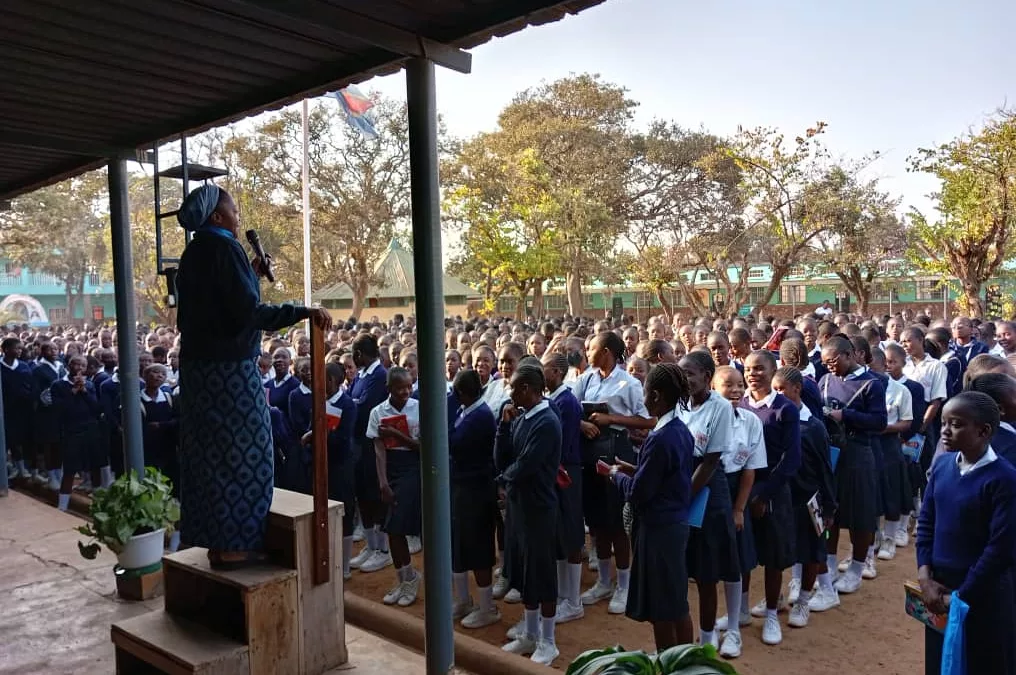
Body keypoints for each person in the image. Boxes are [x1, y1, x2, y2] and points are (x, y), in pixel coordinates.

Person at [174, 184, 331, 569]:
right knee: (249, 452)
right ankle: (235, 546)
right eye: (232, 210)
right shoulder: (225, 249)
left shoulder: (193, 253)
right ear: (217, 217)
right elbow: (248, 314)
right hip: (229, 372)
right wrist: (302, 311)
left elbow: (223, 308)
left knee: (210, 454)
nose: (237, 216)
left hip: (198, 371)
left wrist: (252, 275)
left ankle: (215, 542)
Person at [917, 391, 1016, 675]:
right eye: (944, 422)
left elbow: (1000, 549)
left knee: (982, 662)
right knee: (939, 661)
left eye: (956, 424)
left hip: (982, 594)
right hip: (938, 591)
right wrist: (925, 578)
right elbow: (927, 523)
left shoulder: (1003, 479)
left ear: (984, 431)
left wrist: (961, 596)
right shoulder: (943, 465)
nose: (945, 431)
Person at [599, 362, 695, 652]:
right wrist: (633, 467)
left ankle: (669, 662)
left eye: (645, 392)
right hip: (675, 525)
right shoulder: (680, 430)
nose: (642, 398)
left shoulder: (660, 438)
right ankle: (685, 661)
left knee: (662, 608)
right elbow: (665, 476)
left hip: (658, 531)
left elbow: (639, 494)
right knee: (676, 600)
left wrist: (615, 476)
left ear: (656, 396)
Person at [573, 332, 655, 614]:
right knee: (597, 522)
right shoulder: (586, 379)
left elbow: (648, 420)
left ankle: (624, 583)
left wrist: (613, 418)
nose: (587, 350)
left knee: (617, 522)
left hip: (616, 450)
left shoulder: (628, 383)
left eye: (591, 347)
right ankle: (604, 581)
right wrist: (582, 424)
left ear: (606, 351)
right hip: (590, 451)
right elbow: (572, 407)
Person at [496, 362, 563, 666]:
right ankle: (530, 634)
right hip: (519, 507)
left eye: (513, 387)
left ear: (526, 389)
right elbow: (504, 458)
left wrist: (500, 482)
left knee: (542, 575)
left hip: (538, 509)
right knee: (525, 572)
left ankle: (548, 642)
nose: (509, 393)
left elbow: (527, 464)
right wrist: (504, 425)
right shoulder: (522, 418)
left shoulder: (547, 422)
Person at [676, 352, 740, 654]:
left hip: (707, 490)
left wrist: (683, 497)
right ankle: (683, 636)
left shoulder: (721, 408)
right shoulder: (679, 404)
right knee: (681, 566)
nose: (685, 379)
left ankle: (708, 633)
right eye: (681, 373)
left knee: (707, 570)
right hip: (680, 482)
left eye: (690, 374)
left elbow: (712, 459)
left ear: (706, 375)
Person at [740, 349, 801, 646]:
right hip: (742, 491)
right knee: (743, 553)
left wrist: (763, 495)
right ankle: (740, 611)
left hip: (772, 491)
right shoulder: (737, 405)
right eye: (749, 369)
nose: (753, 374)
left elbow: (791, 460)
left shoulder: (785, 409)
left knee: (774, 556)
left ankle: (773, 614)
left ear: (773, 369)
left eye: (760, 368)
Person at [819, 336, 886, 593]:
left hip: (859, 454)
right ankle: (831, 563)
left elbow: (879, 422)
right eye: (825, 363)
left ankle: (857, 568)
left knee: (861, 516)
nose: (829, 367)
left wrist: (845, 415)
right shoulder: (825, 381)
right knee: (829, 514)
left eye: (833, 361)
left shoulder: (872, 384)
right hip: (831, 454)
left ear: (849, 355)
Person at [772, 367, 836, 628]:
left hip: (808, 499)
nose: (777, 395)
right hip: (780, 498)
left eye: (781, 390)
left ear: (796, 389)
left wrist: (829, 506)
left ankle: (803, 602)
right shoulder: (772, 418)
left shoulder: (814, 427)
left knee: (810, 551)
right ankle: (774, 598)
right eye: (773, 390)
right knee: (776, 550)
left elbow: (824, 469)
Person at [712, 365, 766, 655]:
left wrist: (738, 509)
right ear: (712, 388)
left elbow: (749, 470)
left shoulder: (749, 421)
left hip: (734, 492)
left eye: (739, 385)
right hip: (706, 491)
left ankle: (734, 627)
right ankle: (707, 632)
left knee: (736, 561)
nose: (735, 390)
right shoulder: (700, 418)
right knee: (708, 564)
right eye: (727, 385)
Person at [447, 369, 500, 628]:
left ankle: (487, 606)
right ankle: (464, 600)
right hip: (462, 489)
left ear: (463, 394)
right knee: (459, 544)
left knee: (478, 548)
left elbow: (452, 444)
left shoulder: (480, 416)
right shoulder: (466, 411)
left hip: (477, 491)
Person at [367, 367, 423, 607]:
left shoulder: (418, 408)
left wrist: (396, 435)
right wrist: (382, 482)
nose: (406, 392)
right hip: (390, 468)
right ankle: (402, 580)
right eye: (400, 388)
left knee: (397, 524)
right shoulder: (378, 412)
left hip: (412, 469)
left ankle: (411, 578)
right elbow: (379, 449)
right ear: (389, 388)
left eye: (409, 387)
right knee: (390, 528)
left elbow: (423, 447)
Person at [301, 362, 357, 579]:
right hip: (319, 466)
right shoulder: (318, 401)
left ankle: (343, 566)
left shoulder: (347, 404)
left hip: (340, 466)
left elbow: (343, 439)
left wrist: (318, 435)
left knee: (344, 512)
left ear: (332, 381)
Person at [542, 352, 586, 625]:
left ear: (557, 373)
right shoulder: (555, 398)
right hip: (557, 472)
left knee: (570, 534)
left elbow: (561, 442)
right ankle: (563, 595)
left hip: (567, 472)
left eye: (544, 369)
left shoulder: (566, 401)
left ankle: (574, 600)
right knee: (559, 534)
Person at [348, 334, 392, 573]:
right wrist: (352, 402)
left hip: (372, 443)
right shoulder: (363, 375)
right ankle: (371, 545)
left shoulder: (379, 376)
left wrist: (352, 402)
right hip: (358, 444)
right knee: (362, 495)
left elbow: (364, 407)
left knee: (375, 496)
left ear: (358, 355)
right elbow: (352, 400)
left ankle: (382, 550)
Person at [50, 355, 102, 511]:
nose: (79, 368)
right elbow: (59, 410)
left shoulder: (91, 385)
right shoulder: (58, 385)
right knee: (70, 469)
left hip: (90, 429)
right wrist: (73, 391)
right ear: (68, 366)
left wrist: (84, 391)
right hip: (71, 431)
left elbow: (96, 408)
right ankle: (62, 506)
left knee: (95, 466)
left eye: (83, 366)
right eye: (76, 364)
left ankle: (99, 503)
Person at [1, 337, 35, 480]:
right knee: (8, 440)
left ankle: (23, 469)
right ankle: (10, 467)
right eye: (16, 348)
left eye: (21, 348)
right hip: (5, 410)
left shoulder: (23, 366)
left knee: (22, 439)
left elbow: (31, 386)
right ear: (5, 350)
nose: (20, 351)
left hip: (23, 410)